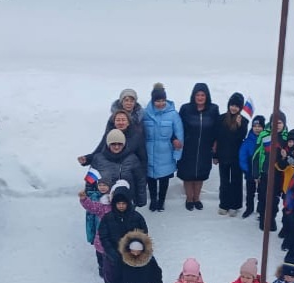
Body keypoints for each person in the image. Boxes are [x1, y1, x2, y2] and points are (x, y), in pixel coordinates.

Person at [98, 182, 148, 283]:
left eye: (123, 203)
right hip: (115, 255)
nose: (121, 206)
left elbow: (143, 235)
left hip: (132, 255)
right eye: (118, 203)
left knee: (133, 279)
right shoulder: (108, 218)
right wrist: (112, 253)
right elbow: (104, 236)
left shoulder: (136, 217)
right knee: (116, 279)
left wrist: (136, 251)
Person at [176, 83, 220, 211]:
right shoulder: (185, 109)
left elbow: (217, 128)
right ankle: (189, 199)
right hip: (188, 147)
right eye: (197, 95)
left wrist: (216, 143)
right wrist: (176, 140)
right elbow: (178, 127)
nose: (200, 97)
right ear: (193, 96)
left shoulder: (213, 109)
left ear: (207, 96)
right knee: (188, 174)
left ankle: (197, 198)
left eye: (203, 95)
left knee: (200, 174)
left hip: (205, 148)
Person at [142, 83, 183, 212]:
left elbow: (179, 134)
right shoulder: (145, 113)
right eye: (157, 101)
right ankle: (153, 200)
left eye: (162, 100)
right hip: (149, 153)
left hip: (166, 152)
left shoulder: (173, 114)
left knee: (164, 179)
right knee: (151, 179)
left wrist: (177, 154)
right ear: (153, 101)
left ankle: (161, 201)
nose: (160, 103)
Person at [88, 129, 147, 207]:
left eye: (120, 144)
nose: (116, 147)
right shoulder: (98, 159)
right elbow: (90, 180)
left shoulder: (132, 159)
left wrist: (141, 199)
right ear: (108, 144)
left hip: (126, 201)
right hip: (104, 201)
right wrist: (90, 198)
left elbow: (140, 180)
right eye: (113, 144)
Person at [252, 112, 289, 231]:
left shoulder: (286, 138)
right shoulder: (263, 135)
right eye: (274, 122)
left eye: (279, 122)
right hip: (265, 173)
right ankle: (263, 218)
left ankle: (271, 218)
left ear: (284, 123)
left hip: (279, 175)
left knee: (274, 199)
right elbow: (256, 154)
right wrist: (256, 172)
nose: (277, 125)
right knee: (263, 197)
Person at [214, 92, 248, 216]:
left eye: (237, 106)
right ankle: (224, 204)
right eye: (232, 105)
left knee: (235, 181)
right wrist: (215, 155)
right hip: (223, 155)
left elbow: (241, 137)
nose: (234, 108)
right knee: (224, 181)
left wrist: (239, 126)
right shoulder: (221, 118)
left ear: (240, 108)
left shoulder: (243, 121)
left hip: (236, 157)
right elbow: (217, 137)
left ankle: (235, 205)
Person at [78, 180, 113, 283]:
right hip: (100, 238)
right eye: (100, 185)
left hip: (111, 240)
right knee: (100, 256)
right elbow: (91, 206)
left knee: (109, 262)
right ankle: (101, 268)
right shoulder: (101, 206)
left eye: (105, 185)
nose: (102, 187)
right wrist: (84, 199)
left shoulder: (114, 205)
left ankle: (109, 281)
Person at [239, 115, 266, 218]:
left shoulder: (266, 140)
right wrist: (246, 170)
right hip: (250, 170)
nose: (257, 128)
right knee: (250, 192)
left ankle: (260, 210)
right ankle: (249, 208)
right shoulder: (248, 141)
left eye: (259, 126)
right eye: (255, 126)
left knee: (262, 192)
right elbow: (242, 156)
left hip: (262, 171)